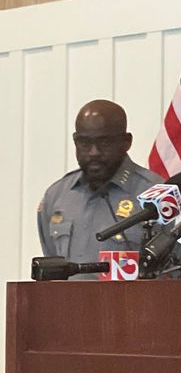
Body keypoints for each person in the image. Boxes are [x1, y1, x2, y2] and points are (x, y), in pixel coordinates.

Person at [38, 100, 161, 269]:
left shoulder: (155, 193)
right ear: (75, 141)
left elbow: (170, 272)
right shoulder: (57, 196)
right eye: (85, 143)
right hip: (67, 296)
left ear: (126, 142)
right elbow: (52, 269)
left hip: (131, 296)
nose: (93, 152)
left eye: (104, 143)